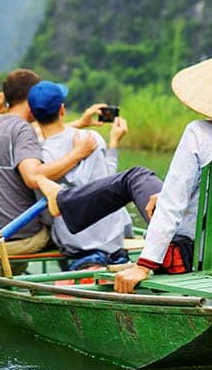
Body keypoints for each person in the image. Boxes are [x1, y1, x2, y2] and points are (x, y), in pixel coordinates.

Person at [37, 49, 212, 294]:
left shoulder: (199, 132)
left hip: (188, 253)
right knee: (149, 185)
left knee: (134, 177)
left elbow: (172, 206)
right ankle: (62, 201)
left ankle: (61, 201)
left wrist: (144, 265)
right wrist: (168, 194)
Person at [0, 69, 98, 258]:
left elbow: (35, 133)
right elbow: (33, 177)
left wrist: (79, 123)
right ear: (31, 97)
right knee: (65, 231)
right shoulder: (23, 130)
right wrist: (77, 154)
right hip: (9, 238)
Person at [27, 81, 135, 271]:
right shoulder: (91, 138)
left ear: (32, 115)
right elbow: (111, 184)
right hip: (112, 242)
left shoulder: (34, 156)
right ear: (62, 110)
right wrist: (114, 143)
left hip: (75, 245)